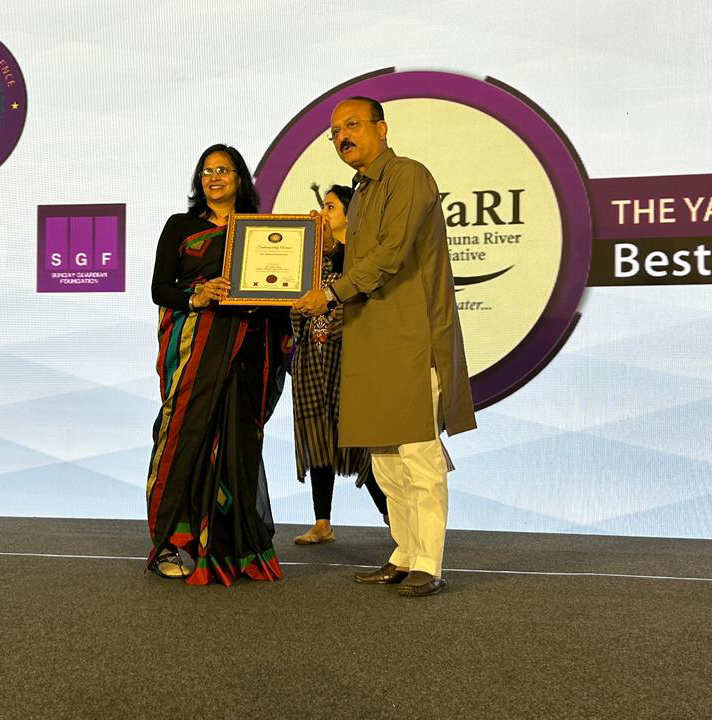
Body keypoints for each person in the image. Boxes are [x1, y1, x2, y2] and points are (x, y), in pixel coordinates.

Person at [293, 98, 477, 597]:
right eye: (335, 131)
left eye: (352, 125)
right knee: (385, 461)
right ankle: (404, 553)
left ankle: (429, 562)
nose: (342, 137)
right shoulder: (360, 190)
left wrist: (330, 293)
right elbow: (360, 259)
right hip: (370, 338)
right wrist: (319, 247)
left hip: (411, 336)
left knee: (418, 454)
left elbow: (391, 253)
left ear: (382, 129)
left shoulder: (407, 175)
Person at [146, 143, 289, 586]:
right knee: (183, 435)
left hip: (248, 349)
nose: (214, 178)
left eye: (223, 170)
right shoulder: (180, 226)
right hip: (196, 348)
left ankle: (234, 547)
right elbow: (160, 289)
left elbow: (280, 288)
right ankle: (172, 543)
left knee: (238, 443)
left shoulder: (262, 232)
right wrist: (198, 295)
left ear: (240, 179)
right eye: (206, 171)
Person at [289, 184, 388, 546]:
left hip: (351, 360)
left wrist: (332, 248)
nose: (322, 213)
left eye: (330, 207)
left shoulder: (360, 256)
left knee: (361, 443)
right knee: (317, 437)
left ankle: (393, 516)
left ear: (351, 214)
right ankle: (322, 522)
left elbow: (355, 278)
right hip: (311, 361)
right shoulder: (309, 260)